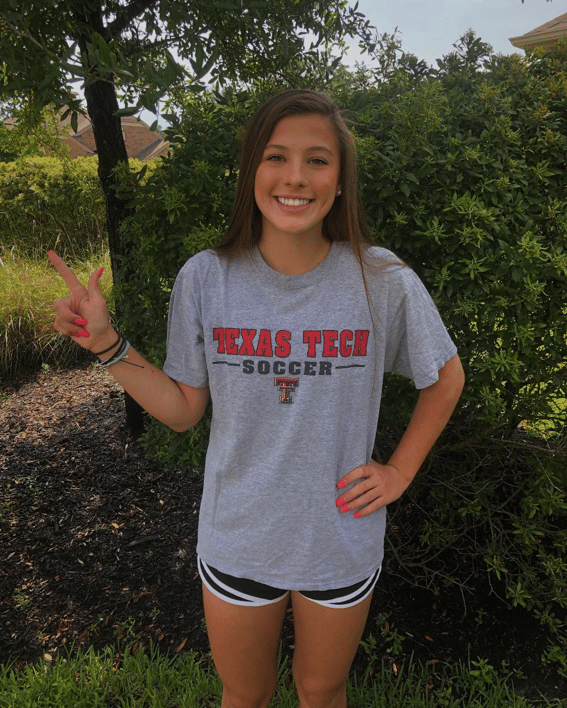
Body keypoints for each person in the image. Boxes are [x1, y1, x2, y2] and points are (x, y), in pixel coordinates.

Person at [49, 89, 465, 708]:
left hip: (339, 538)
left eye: (318, 160)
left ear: (342, 180)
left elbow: (446, 377)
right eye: (277, 157)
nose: (296, 177)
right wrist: (108, 344)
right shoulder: (205, 277)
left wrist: (399, 470)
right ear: (252, 173)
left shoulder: (382, 281)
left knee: (321, 691)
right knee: (244, 695)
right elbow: (185, 409)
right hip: (238, 533)